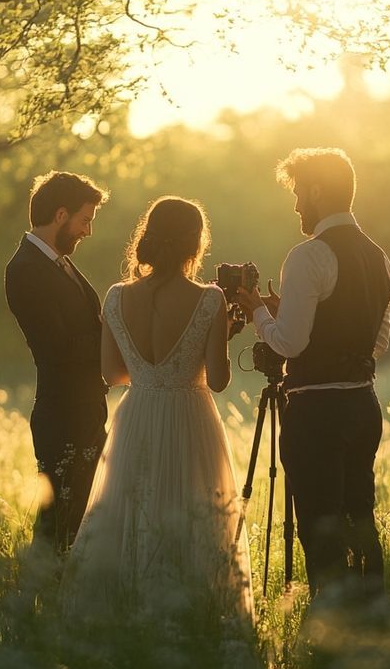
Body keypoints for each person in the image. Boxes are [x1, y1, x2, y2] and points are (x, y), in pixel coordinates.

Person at [61, 196, 254, 632]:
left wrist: (150, 375)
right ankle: (191, 622)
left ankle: (124, 620)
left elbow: (112, 373)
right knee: (194, 515)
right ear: (195, 243)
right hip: (190, 418)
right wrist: (222, 336)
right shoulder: (210, 300)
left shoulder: (115, 296)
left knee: (130, 508)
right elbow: (219, 380)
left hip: (137, 417)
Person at [236, 147, 390, 603]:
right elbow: (376, 343)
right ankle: (372, 613)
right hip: (363, 406)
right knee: (359, 517)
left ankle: (332, 623)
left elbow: (289, 345)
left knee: (320, 525)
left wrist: (259, 314)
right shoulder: (379, 259)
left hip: (316, 412)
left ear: (318, 190)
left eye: (299, 193)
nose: (297, 205)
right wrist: (295, 317)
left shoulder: (309, 256)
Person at [5, 170, 109, 553]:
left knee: (80, 519)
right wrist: (117, 335)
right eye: (85, 221)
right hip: (62, 412)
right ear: (61, 215)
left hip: (85, 407)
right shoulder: (25, 269)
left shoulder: (58, 263)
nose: (88, 231)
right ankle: (41, 598)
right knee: (59, 523)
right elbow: (58, 347)